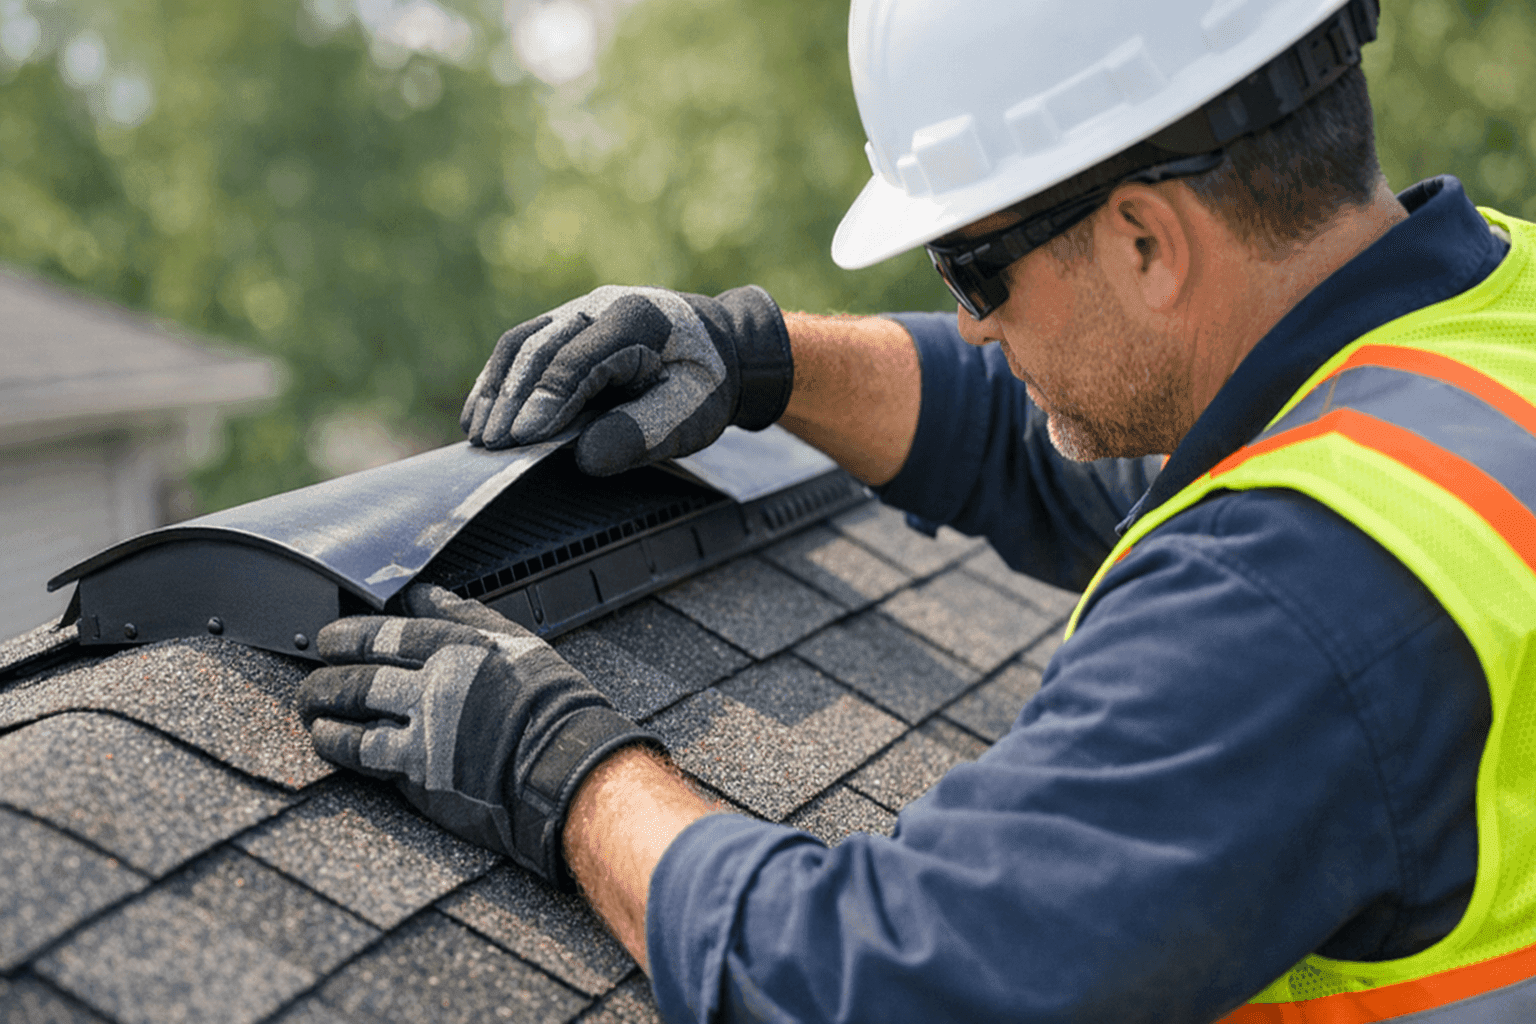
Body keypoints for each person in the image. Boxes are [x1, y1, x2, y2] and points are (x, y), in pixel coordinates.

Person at [296, 0, 1536, 1019]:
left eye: (974, 267)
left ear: (1151, 243)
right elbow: (1071, 442)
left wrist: (564, 773)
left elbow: (885, 983)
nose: (975, 323)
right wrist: (758, 355)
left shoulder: (1298, 597)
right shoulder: (1478, 334)